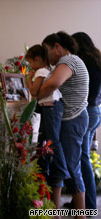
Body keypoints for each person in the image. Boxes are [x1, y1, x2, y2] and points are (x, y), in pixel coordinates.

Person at [38, 31, 89, 219]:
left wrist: (34, 92)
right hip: (71, 119)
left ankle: (81, 215)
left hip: (72, 120)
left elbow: (54, 83)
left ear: (57, 47)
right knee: (60, 165)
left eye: (47, 50)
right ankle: (55, 212)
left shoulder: (68, 61)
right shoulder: (70, 61)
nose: (46, 56)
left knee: (71, 166)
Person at [25, 45, 70, 210]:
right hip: (52, 107)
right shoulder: (46, 70)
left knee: (52, 140)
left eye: (30, 62)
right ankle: (46, 168)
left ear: (37, 59)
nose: (30, 66)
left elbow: (34, 92)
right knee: (46, 141)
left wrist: (28, 78)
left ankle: (60, 168)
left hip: (51, 107)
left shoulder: (40, 72)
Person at [63, 32, 101, 210]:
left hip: (84, 111)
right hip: (96, 111)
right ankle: (82, 202)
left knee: (81, 159)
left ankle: (88, 206)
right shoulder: (97, 58)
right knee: (82, 157)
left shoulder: (81, 60)